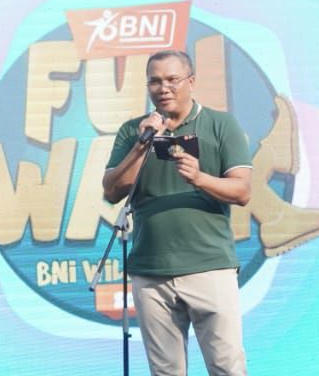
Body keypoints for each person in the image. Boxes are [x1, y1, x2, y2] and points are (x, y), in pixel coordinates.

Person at [102, 49, 253, 376]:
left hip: (210, 266)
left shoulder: (220, 124)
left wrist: (199, 178)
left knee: (227, 367)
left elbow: (242, 191)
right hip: (151, 271)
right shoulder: (134, 131)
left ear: (191, 81)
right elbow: (112, 191)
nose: (163, 88)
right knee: (166, 371)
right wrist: (142, 145)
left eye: (172, 79)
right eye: (155, 81)